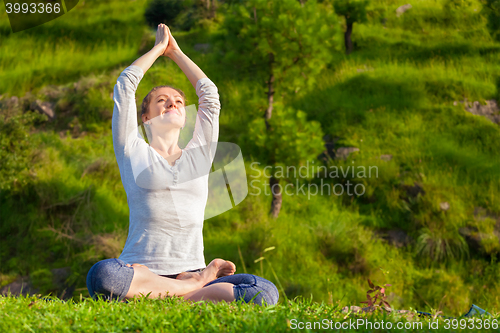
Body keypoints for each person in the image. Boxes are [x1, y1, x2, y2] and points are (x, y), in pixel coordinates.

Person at [86, 24, 279, 305]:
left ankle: (175, 295)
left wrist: (176, 52)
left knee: (262, 292)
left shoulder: (197, 157)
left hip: (189, 270)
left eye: (178, 101)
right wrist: (157, 50)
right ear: (144, 117)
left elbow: (210, 98)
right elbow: (125, 87)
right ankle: (192, 290)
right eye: (161, 101)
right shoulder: (132, 150)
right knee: (103, 276)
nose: (172, 105)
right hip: (141, 272)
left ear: (186, 115)